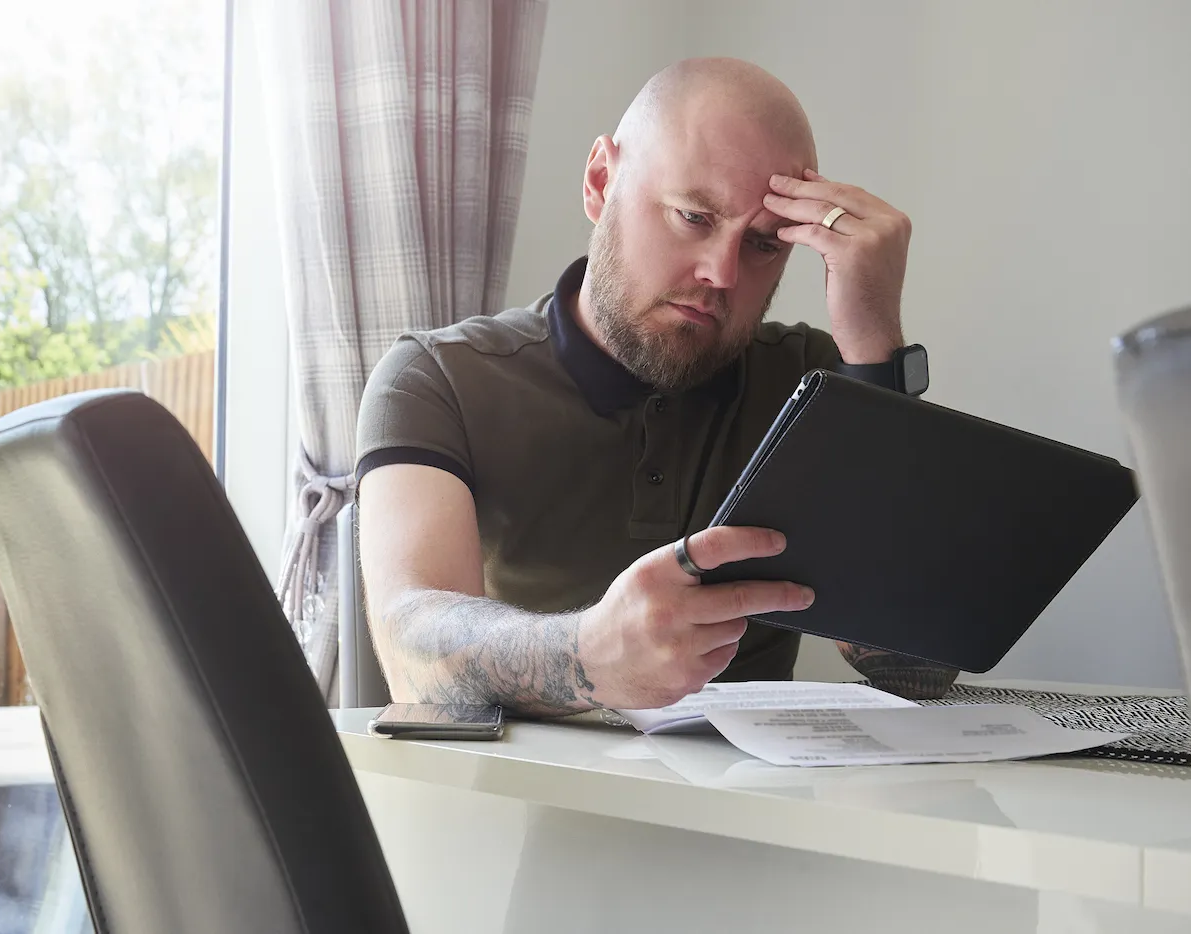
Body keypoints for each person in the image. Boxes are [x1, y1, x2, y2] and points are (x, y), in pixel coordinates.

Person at [354, 57, 957, 716]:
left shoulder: (810, 386)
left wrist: (873, 351)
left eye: (762, 245)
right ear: (600, 180)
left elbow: (917, 671)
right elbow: (411, 650)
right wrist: (587, 654)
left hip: (753, 814)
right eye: (694, 217)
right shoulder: (437, 380)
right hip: (515, 809)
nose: (721, 272)